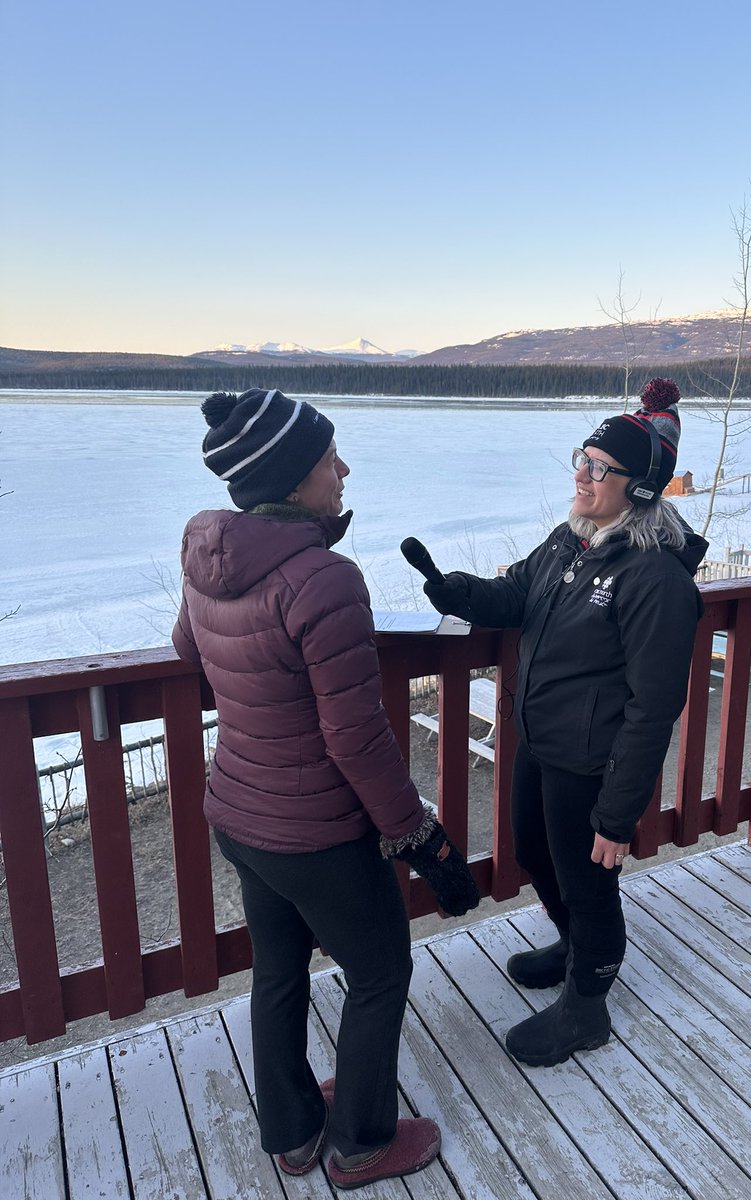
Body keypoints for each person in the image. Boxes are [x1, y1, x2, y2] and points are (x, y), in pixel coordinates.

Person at [172, 388, 478, 1187]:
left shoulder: (207, 553)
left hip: (238, 812)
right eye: (327, 461)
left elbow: (187, 649)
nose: (342, 470)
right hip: (318, 832)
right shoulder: (323, 579)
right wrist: (416, 833)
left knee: (277, 971)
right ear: (291, 480)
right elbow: (355, 737)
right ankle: (364, 1143)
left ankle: (295, 1134)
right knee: (379, 972)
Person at [423, 378, 706, 1067]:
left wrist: (618, 814)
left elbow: (654, 704)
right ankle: (573, 944)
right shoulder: (570, 540)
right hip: (542, 739)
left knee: (588, 880)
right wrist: (456, 589)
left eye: (598, 467)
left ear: (637, 488)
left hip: (593, 762)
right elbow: (517, 593)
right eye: (580, 458)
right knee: (533, 854)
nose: (580, 475)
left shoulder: (655, 578)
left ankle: (588, 1004)